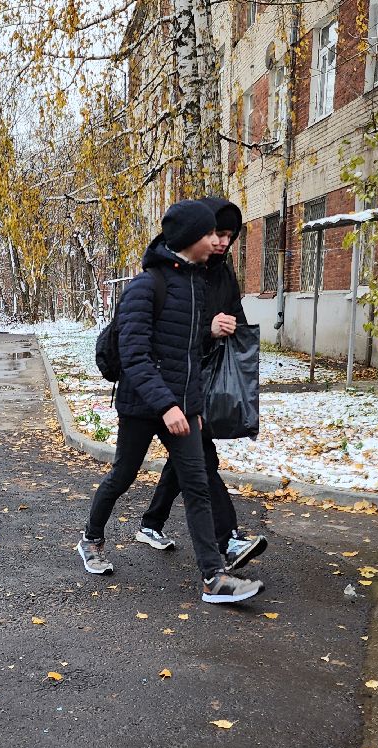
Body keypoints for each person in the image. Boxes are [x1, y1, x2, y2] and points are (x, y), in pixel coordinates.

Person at [77, 200, 263, 604]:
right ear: (192, 238)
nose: (218, 241)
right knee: (123, 476)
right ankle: (91, 539)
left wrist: (192, 408)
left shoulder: (197, 284)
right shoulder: (145, 287)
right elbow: (135, 356)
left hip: (181, 407)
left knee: (197, 484)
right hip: (143, 406)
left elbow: (190, 356)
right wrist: (167, 406)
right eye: (211, 233)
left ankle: (213, 578)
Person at [135, 196, 267, 573]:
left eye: (228, 236)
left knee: (189, 459)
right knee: (200, 460)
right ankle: (227, 540)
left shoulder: (224, 274)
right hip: (173, 386)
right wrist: (208, 330)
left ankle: (151, 523)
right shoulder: (176, 274)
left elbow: (237, 322)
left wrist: (232, 328)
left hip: (207, 381)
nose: (222, 242)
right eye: (216, 234)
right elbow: (165, 336)